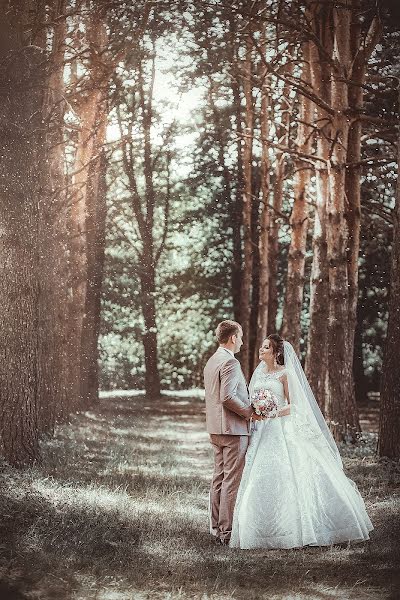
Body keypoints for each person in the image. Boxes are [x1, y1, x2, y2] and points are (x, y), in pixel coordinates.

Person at [230, 334, 374, 549]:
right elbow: (252, 400)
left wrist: (272, 412)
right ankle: (259, 529)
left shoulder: (285, 374)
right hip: (261, 430)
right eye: (261, 346)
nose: (261, 350)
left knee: (289, 471)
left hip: (280, 428)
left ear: (276, 353)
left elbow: (294, 404)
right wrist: (257, 409)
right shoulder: (258, 374)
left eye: (266, 347)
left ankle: (300, 528)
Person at [203, 320, 261, 545]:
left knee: (219, 477)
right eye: (241, 337)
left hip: (216, 429)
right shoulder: (230, 362)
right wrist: (249, 412)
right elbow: (226, 397)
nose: (243, 342)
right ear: (233, 337)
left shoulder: (212, 361)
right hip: (233, 430)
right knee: (231, 481)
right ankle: (226, 532)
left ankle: (216, 527)